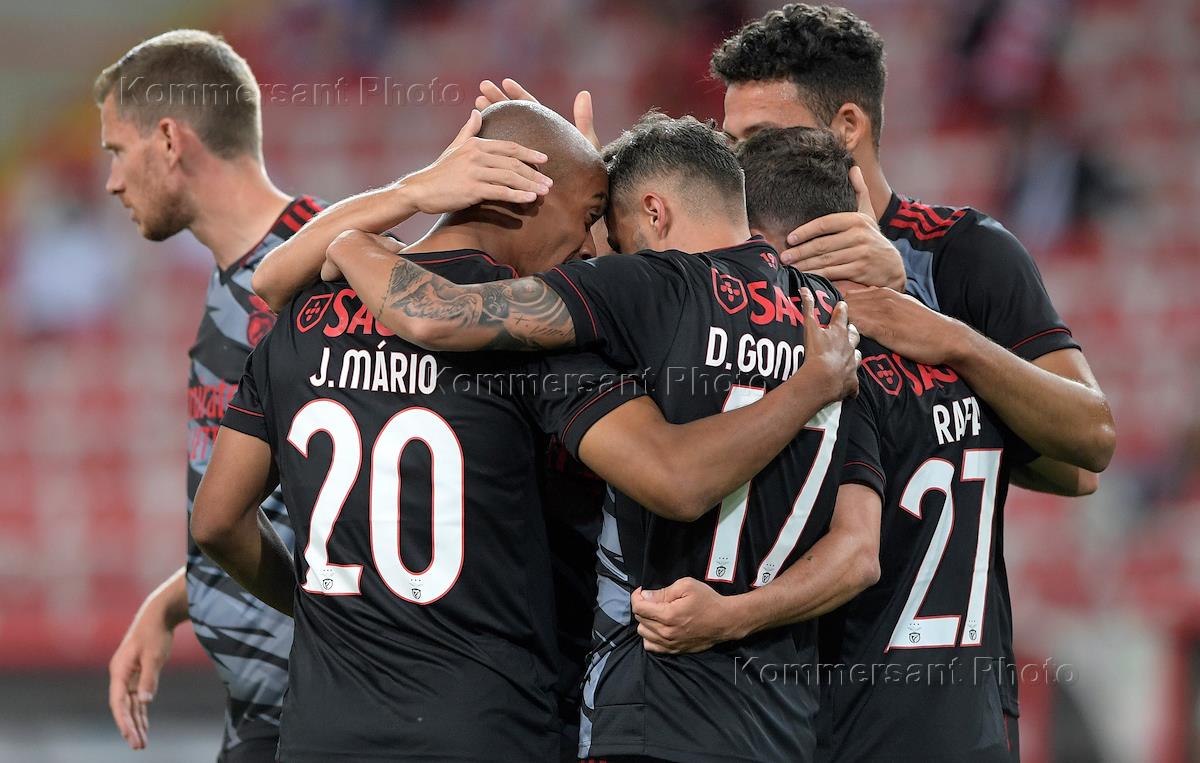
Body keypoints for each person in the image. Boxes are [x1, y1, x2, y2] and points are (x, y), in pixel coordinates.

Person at [191, 101, 861, 760]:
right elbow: (671, 474)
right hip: (490, 722)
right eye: (590, 216)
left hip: (321, 730)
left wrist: (323, 606)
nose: (591, 247)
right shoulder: (529, 341)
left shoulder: (307, 316)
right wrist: (809, 384)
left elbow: (217, 520)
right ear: (525, 196)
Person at [96, 30, 557, 759]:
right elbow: (304, 503)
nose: (112, 181)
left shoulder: (328, 277)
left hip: (316, 701)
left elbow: (378, 507)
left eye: (117, 152)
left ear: (169, 140)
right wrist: (175, 599)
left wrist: (328, 613)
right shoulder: (244, 278)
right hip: (272, 704)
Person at [708, 5, 1115, 748]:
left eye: (759, 137)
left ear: (848, 127)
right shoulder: (733, 271)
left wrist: (939, 331)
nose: (735, 163)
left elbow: (1085, 449)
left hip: (935, 712)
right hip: (782, 709)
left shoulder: (963, 255)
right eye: (728, 140)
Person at [630, 126, 1097, 761]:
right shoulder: (966, 362)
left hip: (855, 724)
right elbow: (1076, 470)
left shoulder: (827, 368)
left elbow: (855, 556)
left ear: (762, 245)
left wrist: (728, 616)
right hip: (973, 727)